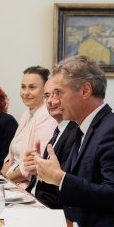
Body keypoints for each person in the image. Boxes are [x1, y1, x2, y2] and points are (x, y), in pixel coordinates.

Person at [34, 55, 114, 227]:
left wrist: (60, 179)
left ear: (85, 90)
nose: (55, 100)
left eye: (60, 92)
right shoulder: (83, 129)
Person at [25, 75, 78, 207]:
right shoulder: (58, 130)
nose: (50, 101)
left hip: (52, 210)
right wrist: (38, 168)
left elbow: (66, 181)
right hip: (34, 201)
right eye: (47, 96)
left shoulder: (76, 132)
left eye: (57, 93)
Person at [2, 66, 57, 188]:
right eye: (23, 87)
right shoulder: (26, 114)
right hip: (11, 181)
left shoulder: (47, 115)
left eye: (32, 87)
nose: (26, 93)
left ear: (45, 90)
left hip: (27, 186)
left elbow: (34, 165)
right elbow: (10, 156)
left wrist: (4, 182)